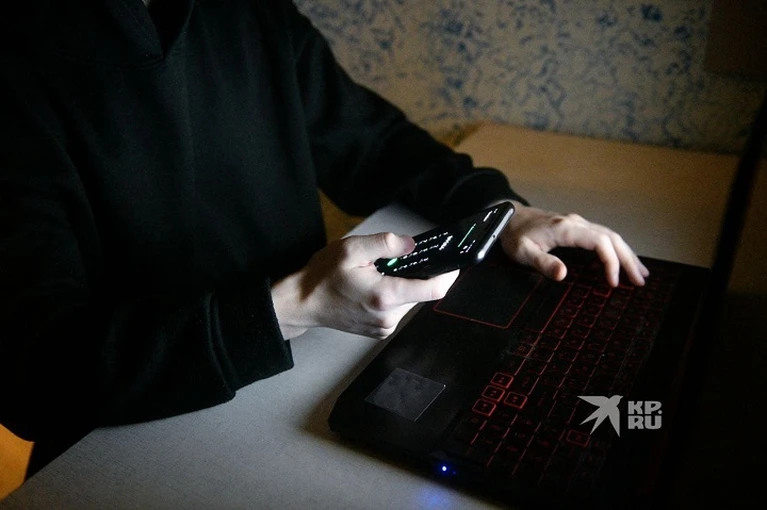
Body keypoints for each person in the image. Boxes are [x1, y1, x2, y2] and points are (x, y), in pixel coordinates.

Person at [0, 0, 648, 476]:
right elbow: (35, 377)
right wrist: (292, 305)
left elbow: (373, 144)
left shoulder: (250, 12)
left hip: (297, 388)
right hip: (117, 451)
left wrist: (498, 211)